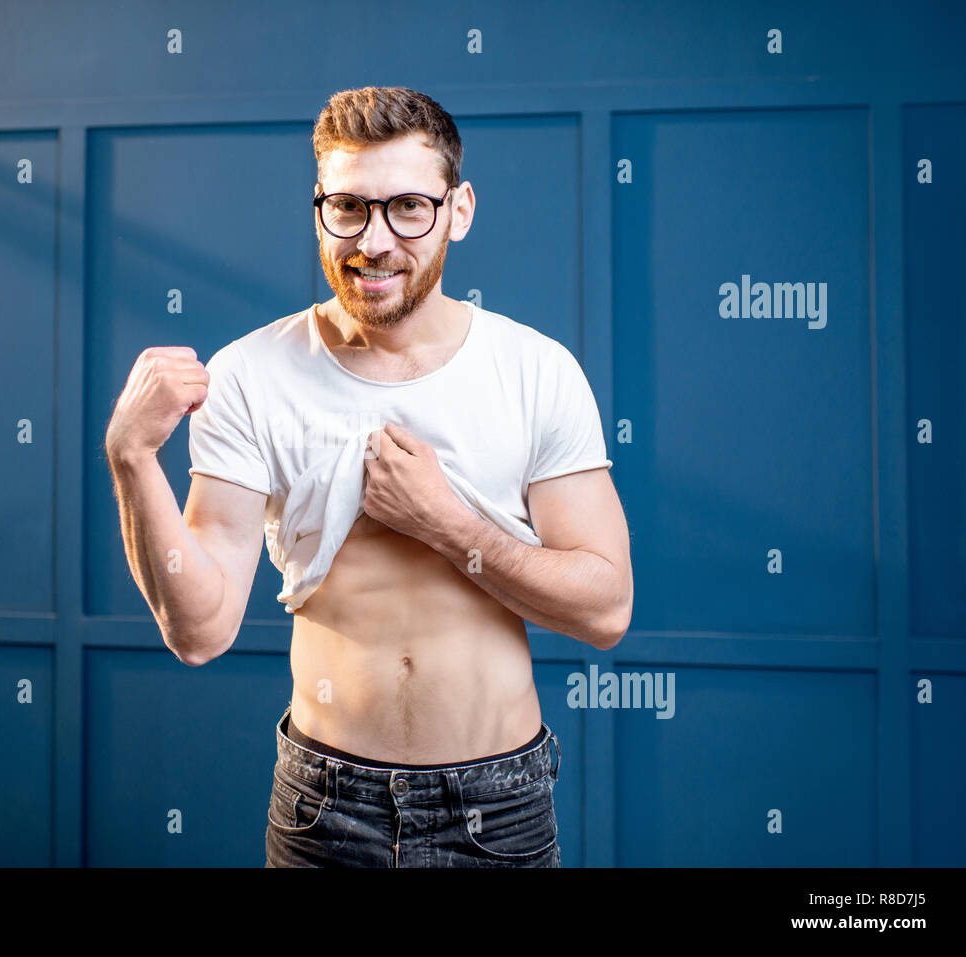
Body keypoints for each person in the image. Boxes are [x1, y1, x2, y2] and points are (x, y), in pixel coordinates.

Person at [104, 86, 633, 867]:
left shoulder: (535, 371)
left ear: (458, 210)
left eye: (408, 207)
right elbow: (200, 630)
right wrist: (132, 460)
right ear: (319, 208)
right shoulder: (250, 375)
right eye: (348, 207)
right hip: (326, 807)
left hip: (499, 804)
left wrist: (447, 525)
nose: (375, 240)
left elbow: (606, 607)